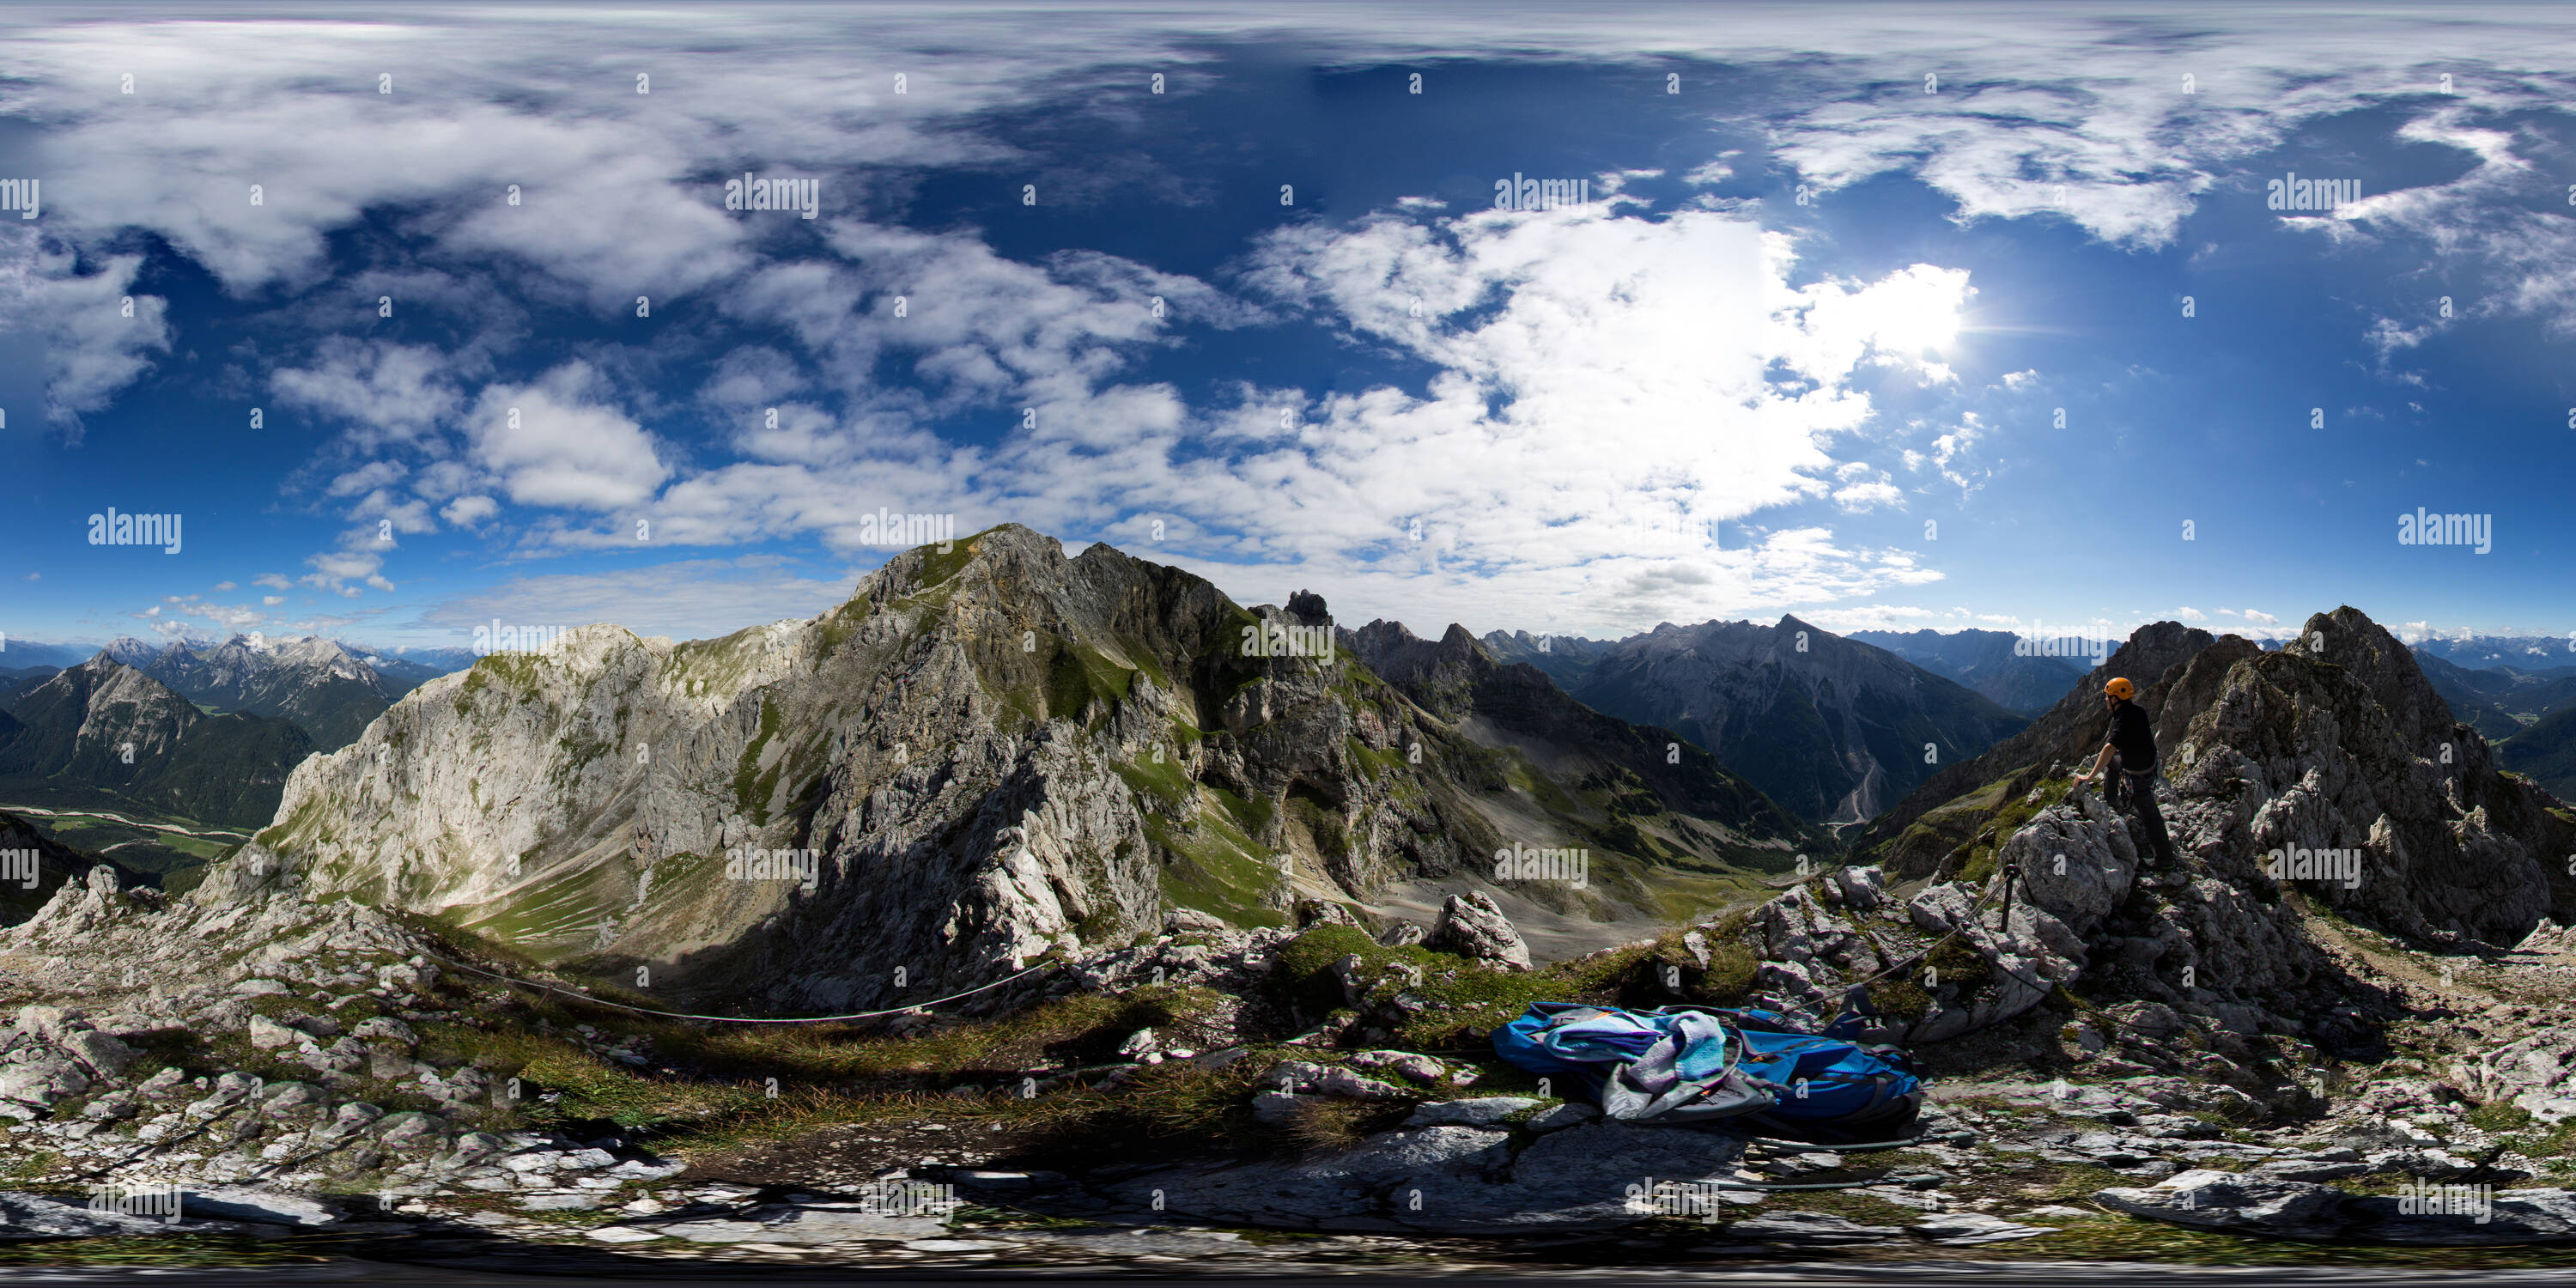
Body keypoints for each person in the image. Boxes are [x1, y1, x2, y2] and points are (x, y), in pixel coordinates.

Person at [2071, 677, 2179, 868]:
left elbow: (2109, 748)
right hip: (2149, 764)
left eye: (2108, 697)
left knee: (2150, 816)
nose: (2105, 700)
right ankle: (2112, 801)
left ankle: (2165, 861)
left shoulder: (2122, 719)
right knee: (2113, 763)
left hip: (2139, 774)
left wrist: (2089, 776)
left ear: (2115, 699)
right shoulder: (2137, 711)